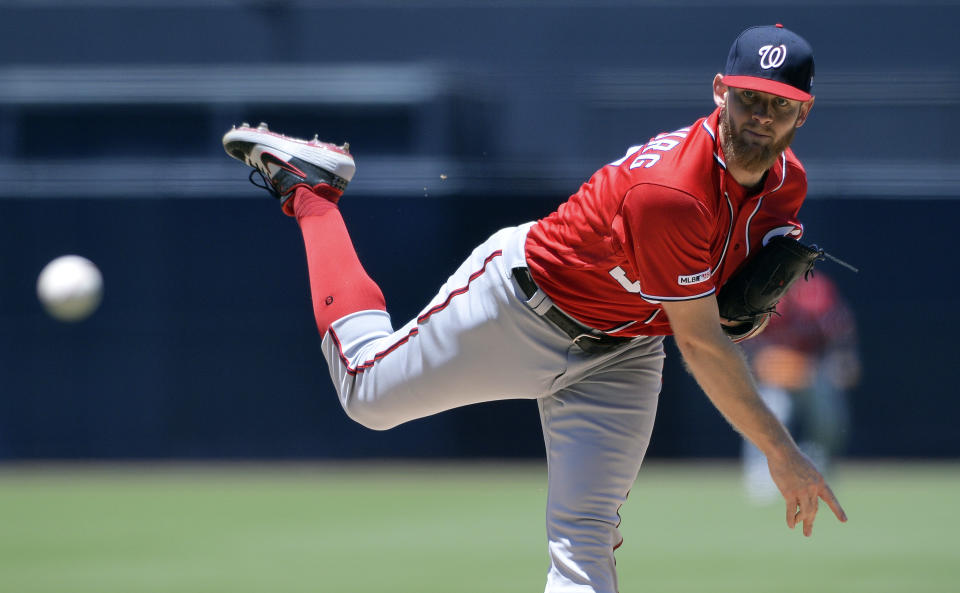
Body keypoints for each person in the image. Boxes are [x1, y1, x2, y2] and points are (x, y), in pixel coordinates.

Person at [223, 24, 847, 593]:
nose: (762, 116)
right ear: (719, 92)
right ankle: (313, 193)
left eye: (780, 103)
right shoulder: (671, 192)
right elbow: (704, 344)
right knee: (367, 396)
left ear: (804, 111)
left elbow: (728, 297)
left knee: (586, 544)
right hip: (523, 307)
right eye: (749, 98)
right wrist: (781, 450)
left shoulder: (788, 183)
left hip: (623, 353)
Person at [741, 272, 860, 503]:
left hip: (811, 372)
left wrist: (842, 363)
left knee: (829, 415)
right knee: (771, 410)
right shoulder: (759, 292)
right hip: (771, 378)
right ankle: (761, 472)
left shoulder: (818, 291)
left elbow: (841, 336)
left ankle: (817, 465)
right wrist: (765, 365)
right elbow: (740, 342)